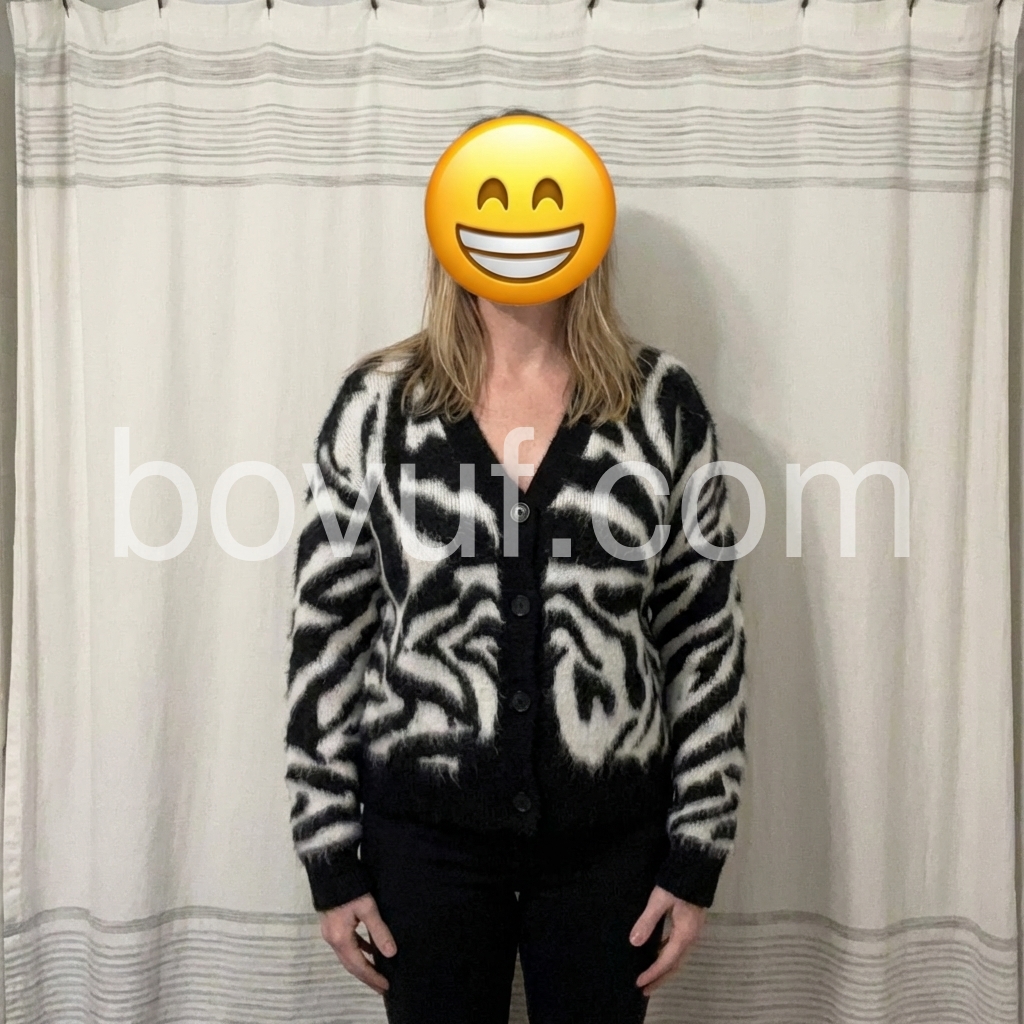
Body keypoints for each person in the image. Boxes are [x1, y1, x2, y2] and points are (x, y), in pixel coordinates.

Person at [284, 119, 748, 1024]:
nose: (519, 225)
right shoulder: (377, 407)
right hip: (423, 846)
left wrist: (698, 850)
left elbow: (704, 635)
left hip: (609, 850)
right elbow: (326, 636)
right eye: (491, 198)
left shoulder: (662, 406)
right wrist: (329, 855)